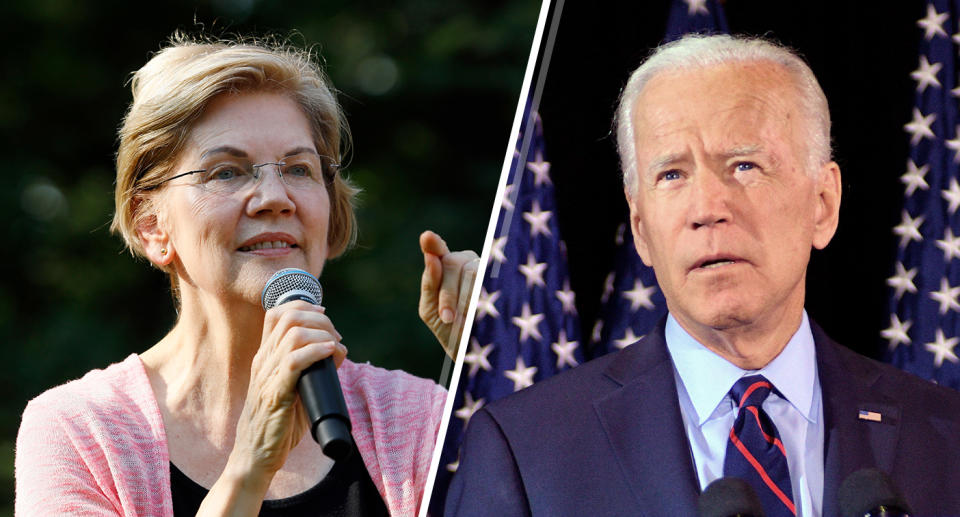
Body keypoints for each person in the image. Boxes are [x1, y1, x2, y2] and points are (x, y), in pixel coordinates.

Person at [445, 34, 960, 517]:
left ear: (823, 204)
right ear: (641, 229)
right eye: (671, 175)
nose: (707, 208)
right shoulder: (526, 450)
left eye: (744, 166)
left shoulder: (946, 435)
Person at [15, 33, 479, 517]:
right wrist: (249, 465)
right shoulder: (81, 432)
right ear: (152, 226)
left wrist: (491, 376)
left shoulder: (418, 416)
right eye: (227, 172)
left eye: (299, 169)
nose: (276, 196)